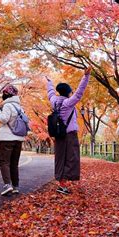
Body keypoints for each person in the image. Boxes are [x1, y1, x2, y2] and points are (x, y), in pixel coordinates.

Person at [46, 67, 91, 195]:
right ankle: (63, 183)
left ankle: (61, 183)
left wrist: (49, 82)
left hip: (59, 135)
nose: (72, 93)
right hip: (69, 134)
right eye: (71, 92)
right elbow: (80, 92)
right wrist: (86, 76)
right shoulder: (68, 103)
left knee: (60, 157)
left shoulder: (54, 101)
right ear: (68, 93)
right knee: (72, 158)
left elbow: (50, 93)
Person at [0, 85, 25, 196]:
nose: (2, 96)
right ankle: (16, 186)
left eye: (4, 94)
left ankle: (7, 185)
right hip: (18, 139)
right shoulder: (20, 108)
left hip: (7, 139)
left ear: (7, 94)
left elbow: (3, 119)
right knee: (14, 163)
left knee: (4, 162)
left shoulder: (8, 105)